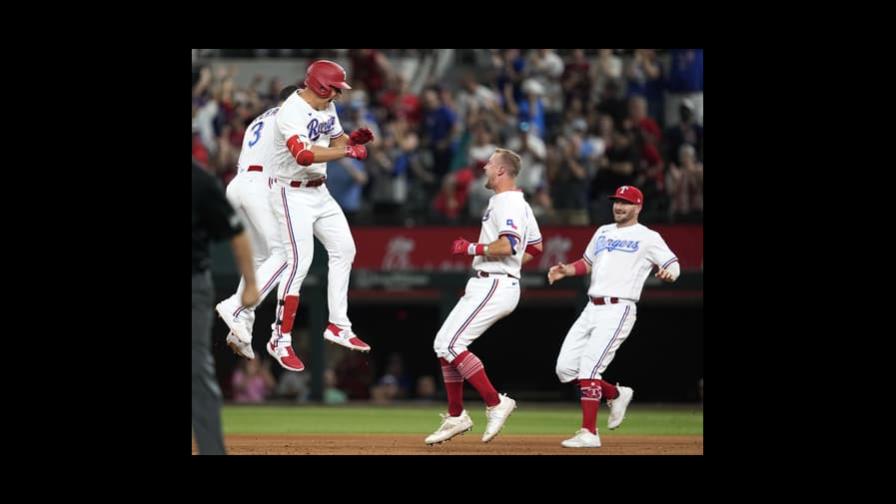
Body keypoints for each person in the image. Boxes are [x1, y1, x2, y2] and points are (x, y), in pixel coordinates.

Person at [425, 148, 543, 445]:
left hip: (496, 283)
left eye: (489, 164)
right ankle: (456, 416)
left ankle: (495, 401)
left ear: (502, 171)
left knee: (452, 343)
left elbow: (509, 246)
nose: (485, 169)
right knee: (443, 345)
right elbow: (536, 248)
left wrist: (473, 250)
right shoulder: (516, 203)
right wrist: (489, 273)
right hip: (490, 281)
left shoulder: (507, 202)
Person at [546, 185, 679, 448]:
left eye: (626, 202)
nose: (619, 206)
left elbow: (672, 264)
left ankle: (589, 432)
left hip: (619, 307)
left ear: (638, 207)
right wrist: (567, 270)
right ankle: (616, 394)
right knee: (565, 368)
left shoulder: (648, 236)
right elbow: (588, 263)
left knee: (589, 368)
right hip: (591, 307)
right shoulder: (602, 231)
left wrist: (669, 273)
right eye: (617, 201)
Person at [267, 60, 375, 372]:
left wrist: (352, 142)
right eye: (337, 88)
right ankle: (280, 339)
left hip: (318, 190)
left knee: (345, 249)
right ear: (322, 86)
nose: (340, 94)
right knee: (299, 262)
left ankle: (338, 325)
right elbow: (303, 154)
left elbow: (337, 140)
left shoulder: (327, 107)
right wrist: (346, 152)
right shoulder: (291, 110)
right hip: (291, 191)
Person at [214, 86, 297, 360]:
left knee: (262, 258)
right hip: (259, 187)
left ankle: (241, 329)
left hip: (238, 184)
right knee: (285, 255)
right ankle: (236, 306)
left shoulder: (260, 118)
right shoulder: (290, 115)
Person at [192, 161, 260, 455]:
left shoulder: (200, 181)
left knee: (196, 368)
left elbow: (237, 232)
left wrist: (251, 284)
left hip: (193, 283)